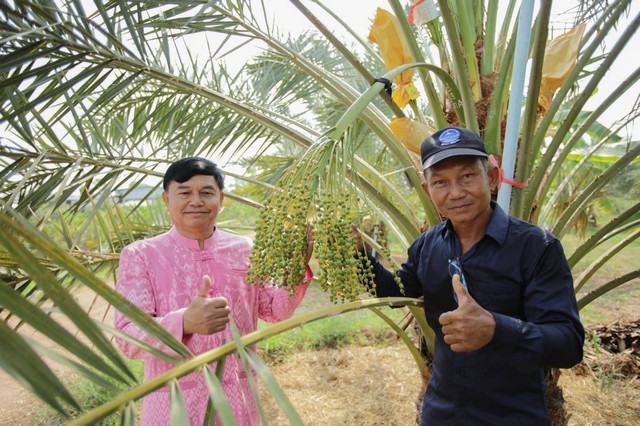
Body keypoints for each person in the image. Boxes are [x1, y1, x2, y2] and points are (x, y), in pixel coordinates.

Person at [355, 127, 584, 425]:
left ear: (491, 178)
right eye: (441, 182)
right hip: (442, 412)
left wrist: (495, 328)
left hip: (512, 416)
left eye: (467, 176)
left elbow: (568, 345)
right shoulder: (427, 245)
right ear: (428, 191)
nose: (456, 192)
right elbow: (395, 293)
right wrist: (359, 254)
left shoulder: (536, 247)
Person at [115, 157, 313, 425]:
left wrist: (296, 270)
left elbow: (275, 311)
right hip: (175, 408)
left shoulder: (245, 249)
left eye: (206, 193)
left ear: (221, 198)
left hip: (239, 403)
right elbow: (128, 338)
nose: (195, 201)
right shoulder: (141, 256)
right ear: (166, 200)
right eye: (184, 193)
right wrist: (184, 322)